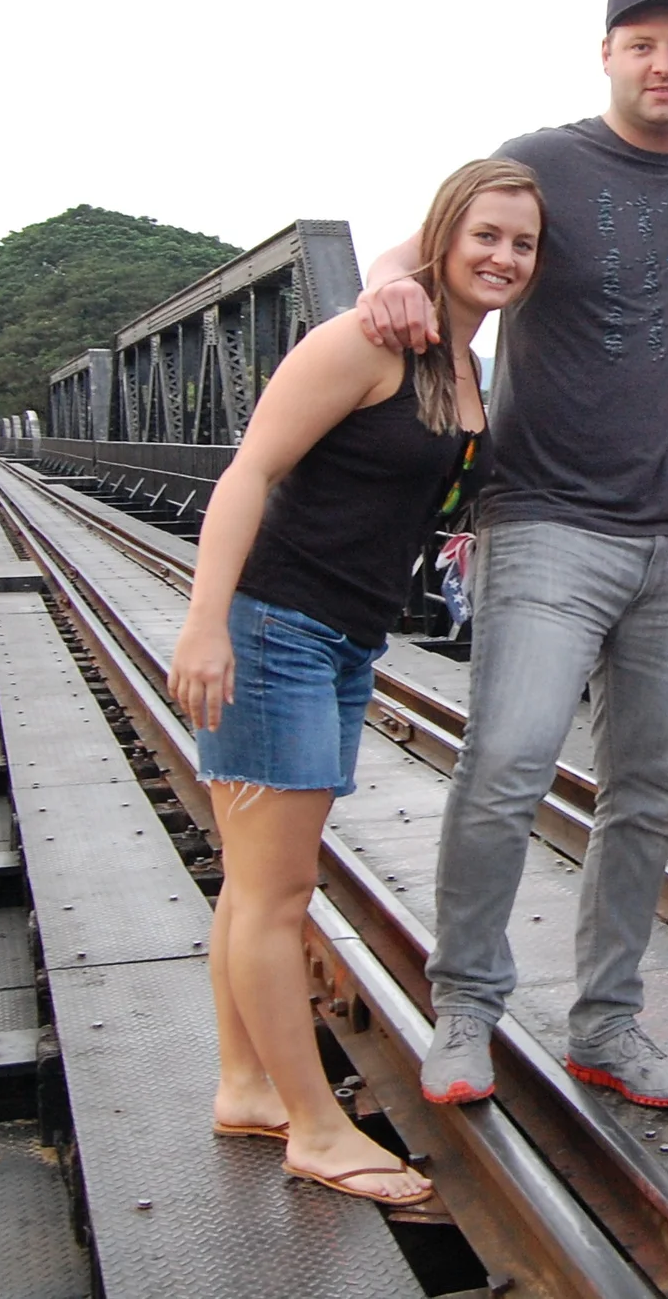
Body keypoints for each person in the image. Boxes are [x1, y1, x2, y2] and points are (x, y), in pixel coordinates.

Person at [355, 0, 668, 1110]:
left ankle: (607, 1023)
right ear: (606, 52)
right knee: (505, 767)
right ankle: (465, 1013)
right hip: (545, 522)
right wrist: (385, 293)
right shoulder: (541, 159)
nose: (664, 64)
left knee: (645, 793)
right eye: (643, 43)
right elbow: (415, 250)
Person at [168, 159, 544, 1203]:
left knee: (258, 884)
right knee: (277, 896)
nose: (504, 257)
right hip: (273, 627)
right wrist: (206, 627)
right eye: (486, 237)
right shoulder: (369, 340)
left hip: (341, 639)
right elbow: (249, 470)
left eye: (522, 243)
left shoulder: (462, 362)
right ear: (442, 235)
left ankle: (246, 1084)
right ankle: (316, 1128)